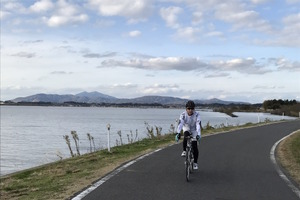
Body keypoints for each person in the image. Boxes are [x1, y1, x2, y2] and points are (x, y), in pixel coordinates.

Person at [175, 100, 201, 170]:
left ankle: (195, 163)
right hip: (186, 127)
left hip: (194, 129)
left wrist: (198, 135)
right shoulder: (183, 115)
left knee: (195, 146)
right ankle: (184, 150)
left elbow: (198, 125)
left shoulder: (197, 114)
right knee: (186, 136)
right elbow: (180, 124)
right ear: (186, 109)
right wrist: (178, 133)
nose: (190, 110)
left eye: (192, 108)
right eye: (189, 108)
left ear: (194, 109)